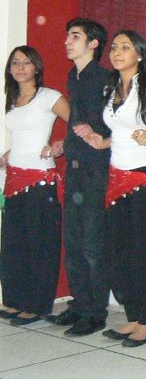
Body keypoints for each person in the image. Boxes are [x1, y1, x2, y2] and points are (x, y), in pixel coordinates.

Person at [75, 31, 146, 347]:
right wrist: (101, 141)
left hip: (144, 181)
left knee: (145, 253)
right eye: (115, 48)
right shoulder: (111, 90)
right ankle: (132, 317)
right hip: (116, 180)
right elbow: (120, 132)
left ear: (140, 55)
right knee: (120, 251)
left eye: (125, 47)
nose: (117, 52)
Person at [45, 18, 112, 336]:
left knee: (91, 243)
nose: (67, 42)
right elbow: (78, 121)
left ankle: (95, 312)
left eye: (75, 36)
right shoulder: (74, 76)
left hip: (94, 169)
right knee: (72, 241)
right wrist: (67, 141)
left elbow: (114, 123)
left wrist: (95, 133)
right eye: (67, 36)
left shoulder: (105, 79)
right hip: (73, 168)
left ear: (93, 43)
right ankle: (80, 304)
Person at [0, 46, 69, 325]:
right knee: (14, 243)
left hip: (40, 180)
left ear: (36, 67)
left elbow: (80, 123)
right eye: (15, 63)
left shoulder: (48, 96)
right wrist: (8, 154)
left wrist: (61, 145)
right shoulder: (13, 99)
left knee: (40, 245)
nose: (20, 67)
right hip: (14, 179)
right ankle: (15, 300)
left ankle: (37, 305)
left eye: (26, 62)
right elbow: (23, 136)